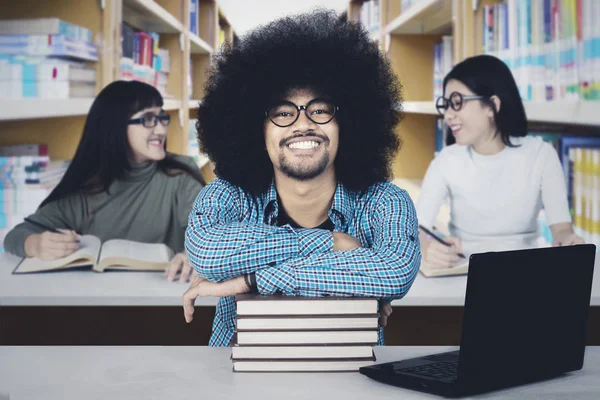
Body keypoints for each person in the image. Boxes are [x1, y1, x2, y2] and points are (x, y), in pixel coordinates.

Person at [182, 10, 421, 347]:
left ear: (348, 123)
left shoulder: (385, 201)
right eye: (282, 112)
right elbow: (207, 253)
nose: (303, 123)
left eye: (320, 109)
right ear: (255, 130)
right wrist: (331, 244)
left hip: (351, 382)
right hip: (237, 383)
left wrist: (250, 279)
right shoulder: (228, 196)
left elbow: (393, 271)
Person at [4, 80, 205, 283]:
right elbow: (16, 235)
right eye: (148, 119)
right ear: (115, 126)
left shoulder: (181, 173)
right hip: (99, 305)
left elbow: (212, 231)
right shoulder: (87, 190)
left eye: (162, 118)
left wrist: (195, 255)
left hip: (170, 300)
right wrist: (35, 244)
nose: (161, 130)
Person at [418, 54, 584, 271]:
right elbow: (416, 230)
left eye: (457, 103)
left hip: (526, 272)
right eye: (446, 105)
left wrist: (569, 241)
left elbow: (562, 230)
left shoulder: (541, 155)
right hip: (463, 274)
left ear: (492, 105)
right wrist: (425, 249)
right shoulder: (446, 161)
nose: (448, 115)